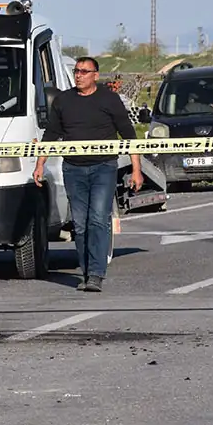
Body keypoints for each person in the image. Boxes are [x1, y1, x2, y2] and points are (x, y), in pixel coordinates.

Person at [33, 56, 142, 293]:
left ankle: (96, 274)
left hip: (103, 167)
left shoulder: (109, 99)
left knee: (98, 219)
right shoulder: (63, 101)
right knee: (80, 225)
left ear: (95, 75)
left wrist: (136, 169)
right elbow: (50, 136)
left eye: (84, 71)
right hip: (73, 169)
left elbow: (128, 134)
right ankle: (85, 272)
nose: (79, 75)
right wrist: (40, 164)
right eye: (76, 71)